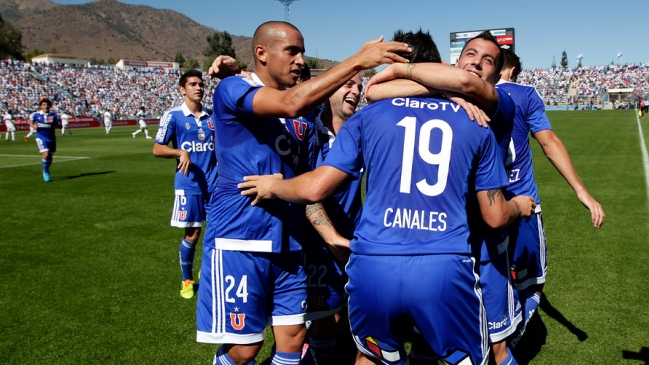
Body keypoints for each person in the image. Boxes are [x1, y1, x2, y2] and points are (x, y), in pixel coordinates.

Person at [237, 34, 536, 365]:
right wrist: (520, 205)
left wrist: (273, 187)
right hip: (444, 265)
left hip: (373, 265)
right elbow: (494, 215)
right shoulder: (476, 121)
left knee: (372, 357)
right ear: (439, 65)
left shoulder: (368, 116)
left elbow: (316, 189)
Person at [198, 20, 410, 365]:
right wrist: (359, 59)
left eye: (302, 51)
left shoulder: (305, 122)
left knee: (294, 339)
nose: (300, 59)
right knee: (244, 349)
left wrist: (329, 235)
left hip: (291, 243)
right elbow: (290, 102)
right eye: (291, 51)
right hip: (240, 240)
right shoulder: (233, 88)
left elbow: (308, 186)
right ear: (261, 54)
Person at [364, 30, 522, 365]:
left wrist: (412, 74)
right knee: (429, 341)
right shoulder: (441, 98)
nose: (477, 64)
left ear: (496, 74)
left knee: (495, 346)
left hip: (484, 243)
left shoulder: (498, 103)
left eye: (488, 61)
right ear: (455, 61)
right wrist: (441, 88)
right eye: (471, 55)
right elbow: (374, 90)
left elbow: (468, 86)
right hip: (438, 245)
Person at [497, 48, 605, 347]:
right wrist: (581, 191)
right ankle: (508, 343)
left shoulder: (467, 92)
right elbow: (548, 141)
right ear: (514, 70)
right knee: (532, 285)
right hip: (523, 205)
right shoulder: (524, 94)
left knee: (490, 279)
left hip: (483, 205)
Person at [300, 72, 363, 365]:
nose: (356, 91)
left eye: (360, 86)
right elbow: (306, 195)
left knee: (349, 313)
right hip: (317, 244)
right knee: (324, 318)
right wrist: (332, 240)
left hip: (352, 240)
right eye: (349, 84)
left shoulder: (361, 132)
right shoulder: (309, 134)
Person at [152, 70, 217, 299]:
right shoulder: (173, 116)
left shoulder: (212, 117)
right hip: (189, 185)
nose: (198, 88)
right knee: (194, 233)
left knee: (218, 231)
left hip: (214, 185)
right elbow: (157, 148)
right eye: (193, 84)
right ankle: (187, 279)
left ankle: (209, 271)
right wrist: (180, 152)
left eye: (200, 84)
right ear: (182, 89)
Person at [29, 99, 61, 182]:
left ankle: (45, 169)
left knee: (50, 157)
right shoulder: (36, 115)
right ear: (41, 106)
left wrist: (54, 123)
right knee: (46, 155)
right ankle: (46, 171)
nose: (45, 106)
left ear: (50, 106)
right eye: (43, 104)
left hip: (51, 138)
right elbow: (29, 121)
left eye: (47, 105)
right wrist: (33, 126)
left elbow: (60, 126)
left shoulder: (54, 115)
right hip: (40, 137)